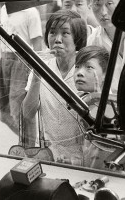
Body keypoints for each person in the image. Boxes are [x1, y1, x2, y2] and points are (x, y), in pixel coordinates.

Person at [22, 10, 87, 165]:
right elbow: (28, 113)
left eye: (65, 33)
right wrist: (38, 72)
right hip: (51, 155)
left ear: (77, 38)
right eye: (52, 33)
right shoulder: (43, 67)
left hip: (84, 156)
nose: (57, 39)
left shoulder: (86, 68)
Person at [0, 0, 43, 137]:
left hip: (22, 61)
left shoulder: (30, 12)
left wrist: (35, 74)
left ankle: (30, 147)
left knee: (20, 110)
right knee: (5, 115)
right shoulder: (3, 10)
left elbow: (38, 46)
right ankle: (29, 143)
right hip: (5, 59)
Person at [74, 45, 117, 170]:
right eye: (77, 67)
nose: (80, 73)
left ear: (105, 74)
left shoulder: (110, 108)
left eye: (89, 68)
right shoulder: (81, 99)